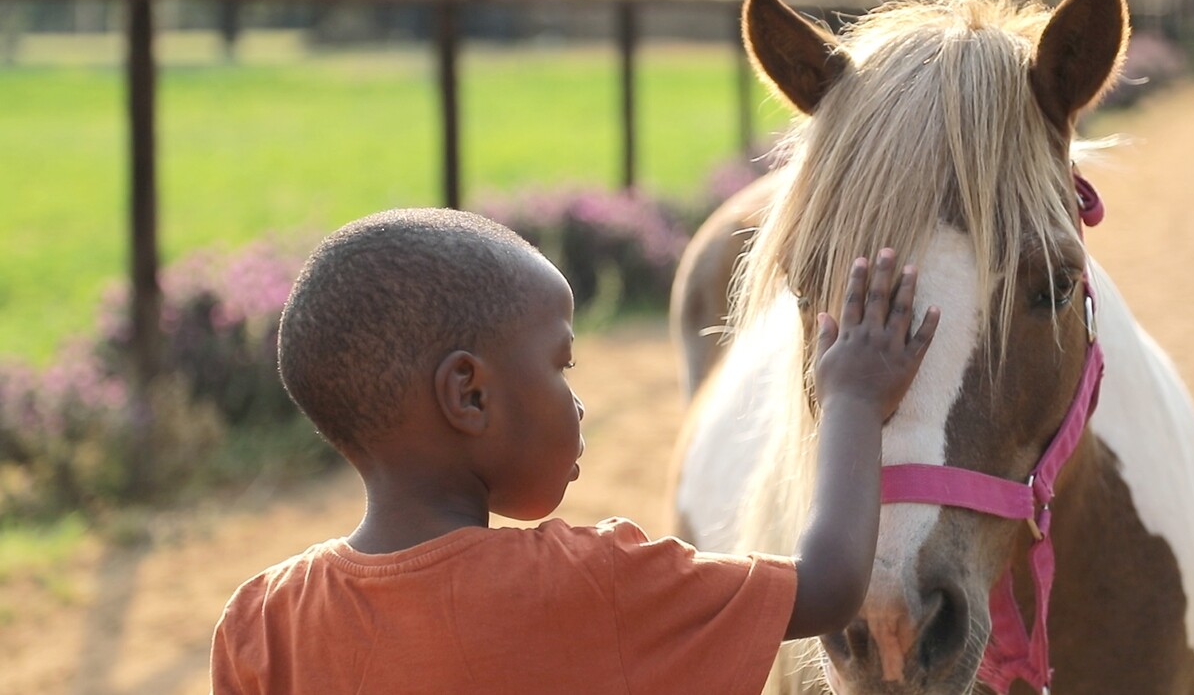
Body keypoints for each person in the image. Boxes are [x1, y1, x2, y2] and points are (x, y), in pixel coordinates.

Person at [210, 208, 940, 694]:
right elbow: (830, 585)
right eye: (562, 365)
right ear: (469, 394)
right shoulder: (593, 586)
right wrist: (851, 398)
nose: (577, 399)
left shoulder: (261, 621)